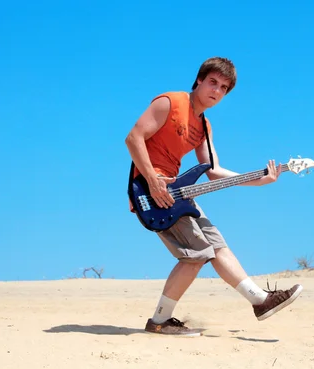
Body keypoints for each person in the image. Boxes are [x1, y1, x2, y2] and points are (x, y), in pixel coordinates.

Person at [124, 57, 303, 336]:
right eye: (212, 82)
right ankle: (159, 321)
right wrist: (152, 180)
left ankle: (261, 301)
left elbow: (213, 171)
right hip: (153, 191)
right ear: (199, 80)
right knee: (197, 254)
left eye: (223, 87)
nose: (216, 90)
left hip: (178, 192)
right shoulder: (170, 102)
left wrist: (260, 180)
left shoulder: (204, 129)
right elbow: (134, 138)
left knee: (217, 245)